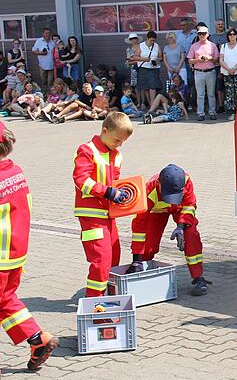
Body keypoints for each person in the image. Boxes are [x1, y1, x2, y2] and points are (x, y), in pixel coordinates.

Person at [0, 120, 59, 370]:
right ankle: (37, 340)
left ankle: (38, 338)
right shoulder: (15, 172)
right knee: (5, 300)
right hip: (16, 252)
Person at [72, 112, 134, 297]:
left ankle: (106, 295)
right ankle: (95, 303)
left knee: (114, 255)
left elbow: (115, 182)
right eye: (117, 140)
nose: (120, 144)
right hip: (91, 214)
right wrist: (108, 192)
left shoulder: (116, 154)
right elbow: (81, 180)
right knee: (101, 259)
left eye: (122, 141)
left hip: (109, 214)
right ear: (104, 130)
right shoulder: (87, 150)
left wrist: (122, 196)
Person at [126, 164, 211, 296]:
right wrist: (136, 259)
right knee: (149, 245)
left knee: (191, 235)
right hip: (156, 211)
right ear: (159, 184)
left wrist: (181, 226)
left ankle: (198, 278)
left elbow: (189, 205)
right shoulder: (148, 190)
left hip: (179, 208)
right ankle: (143, 273)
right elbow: (139, 226)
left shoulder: (186, 180)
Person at [187, 26, 219, 121]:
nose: (202, 35)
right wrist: (198, 60)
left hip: (210, 71)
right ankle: (200, 113)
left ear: (207, 34)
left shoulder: (212, 45)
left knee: (211, 94)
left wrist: (209, 58)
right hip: (199, 72)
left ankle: (212, 112)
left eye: (204, 33)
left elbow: (217, 59)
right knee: (200, 94)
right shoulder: (194, 46)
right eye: (200, 34)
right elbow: (190, 60)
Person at [220, 28, 237, 120]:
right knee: (229, 93)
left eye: (234, 34)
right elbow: (221, 59)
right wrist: (228, 69)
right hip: (227, 72)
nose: (232, 36)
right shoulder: (224, 46)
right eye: (230, 34)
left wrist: (235, 68)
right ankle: (232, 112)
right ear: (228, 36)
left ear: (236, 35)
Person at [133, 31, 162, 110]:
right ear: (147, 38)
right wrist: (144, 59)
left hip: (153, 68)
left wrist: (156, 60)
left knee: (153, 87)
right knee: (145, 87)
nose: (152, 42)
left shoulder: (156, 46)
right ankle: (150, 105)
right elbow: (135, 57)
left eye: (153, 40)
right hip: (144, 68)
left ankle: (152, 106)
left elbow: (161, 57)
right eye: (151, 40)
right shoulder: (141, 45)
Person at [124, 33, 140, 103]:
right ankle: (139, 102)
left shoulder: (142, 47)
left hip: (143, 68)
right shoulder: (129, 49)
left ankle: (143, 102)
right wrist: (137, 61)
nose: (133, 40)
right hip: (134, 69)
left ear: (137, 39)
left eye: (134, 38)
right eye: (131, 39)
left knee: (144, 87)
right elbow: (128, 61)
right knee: (136, 87)